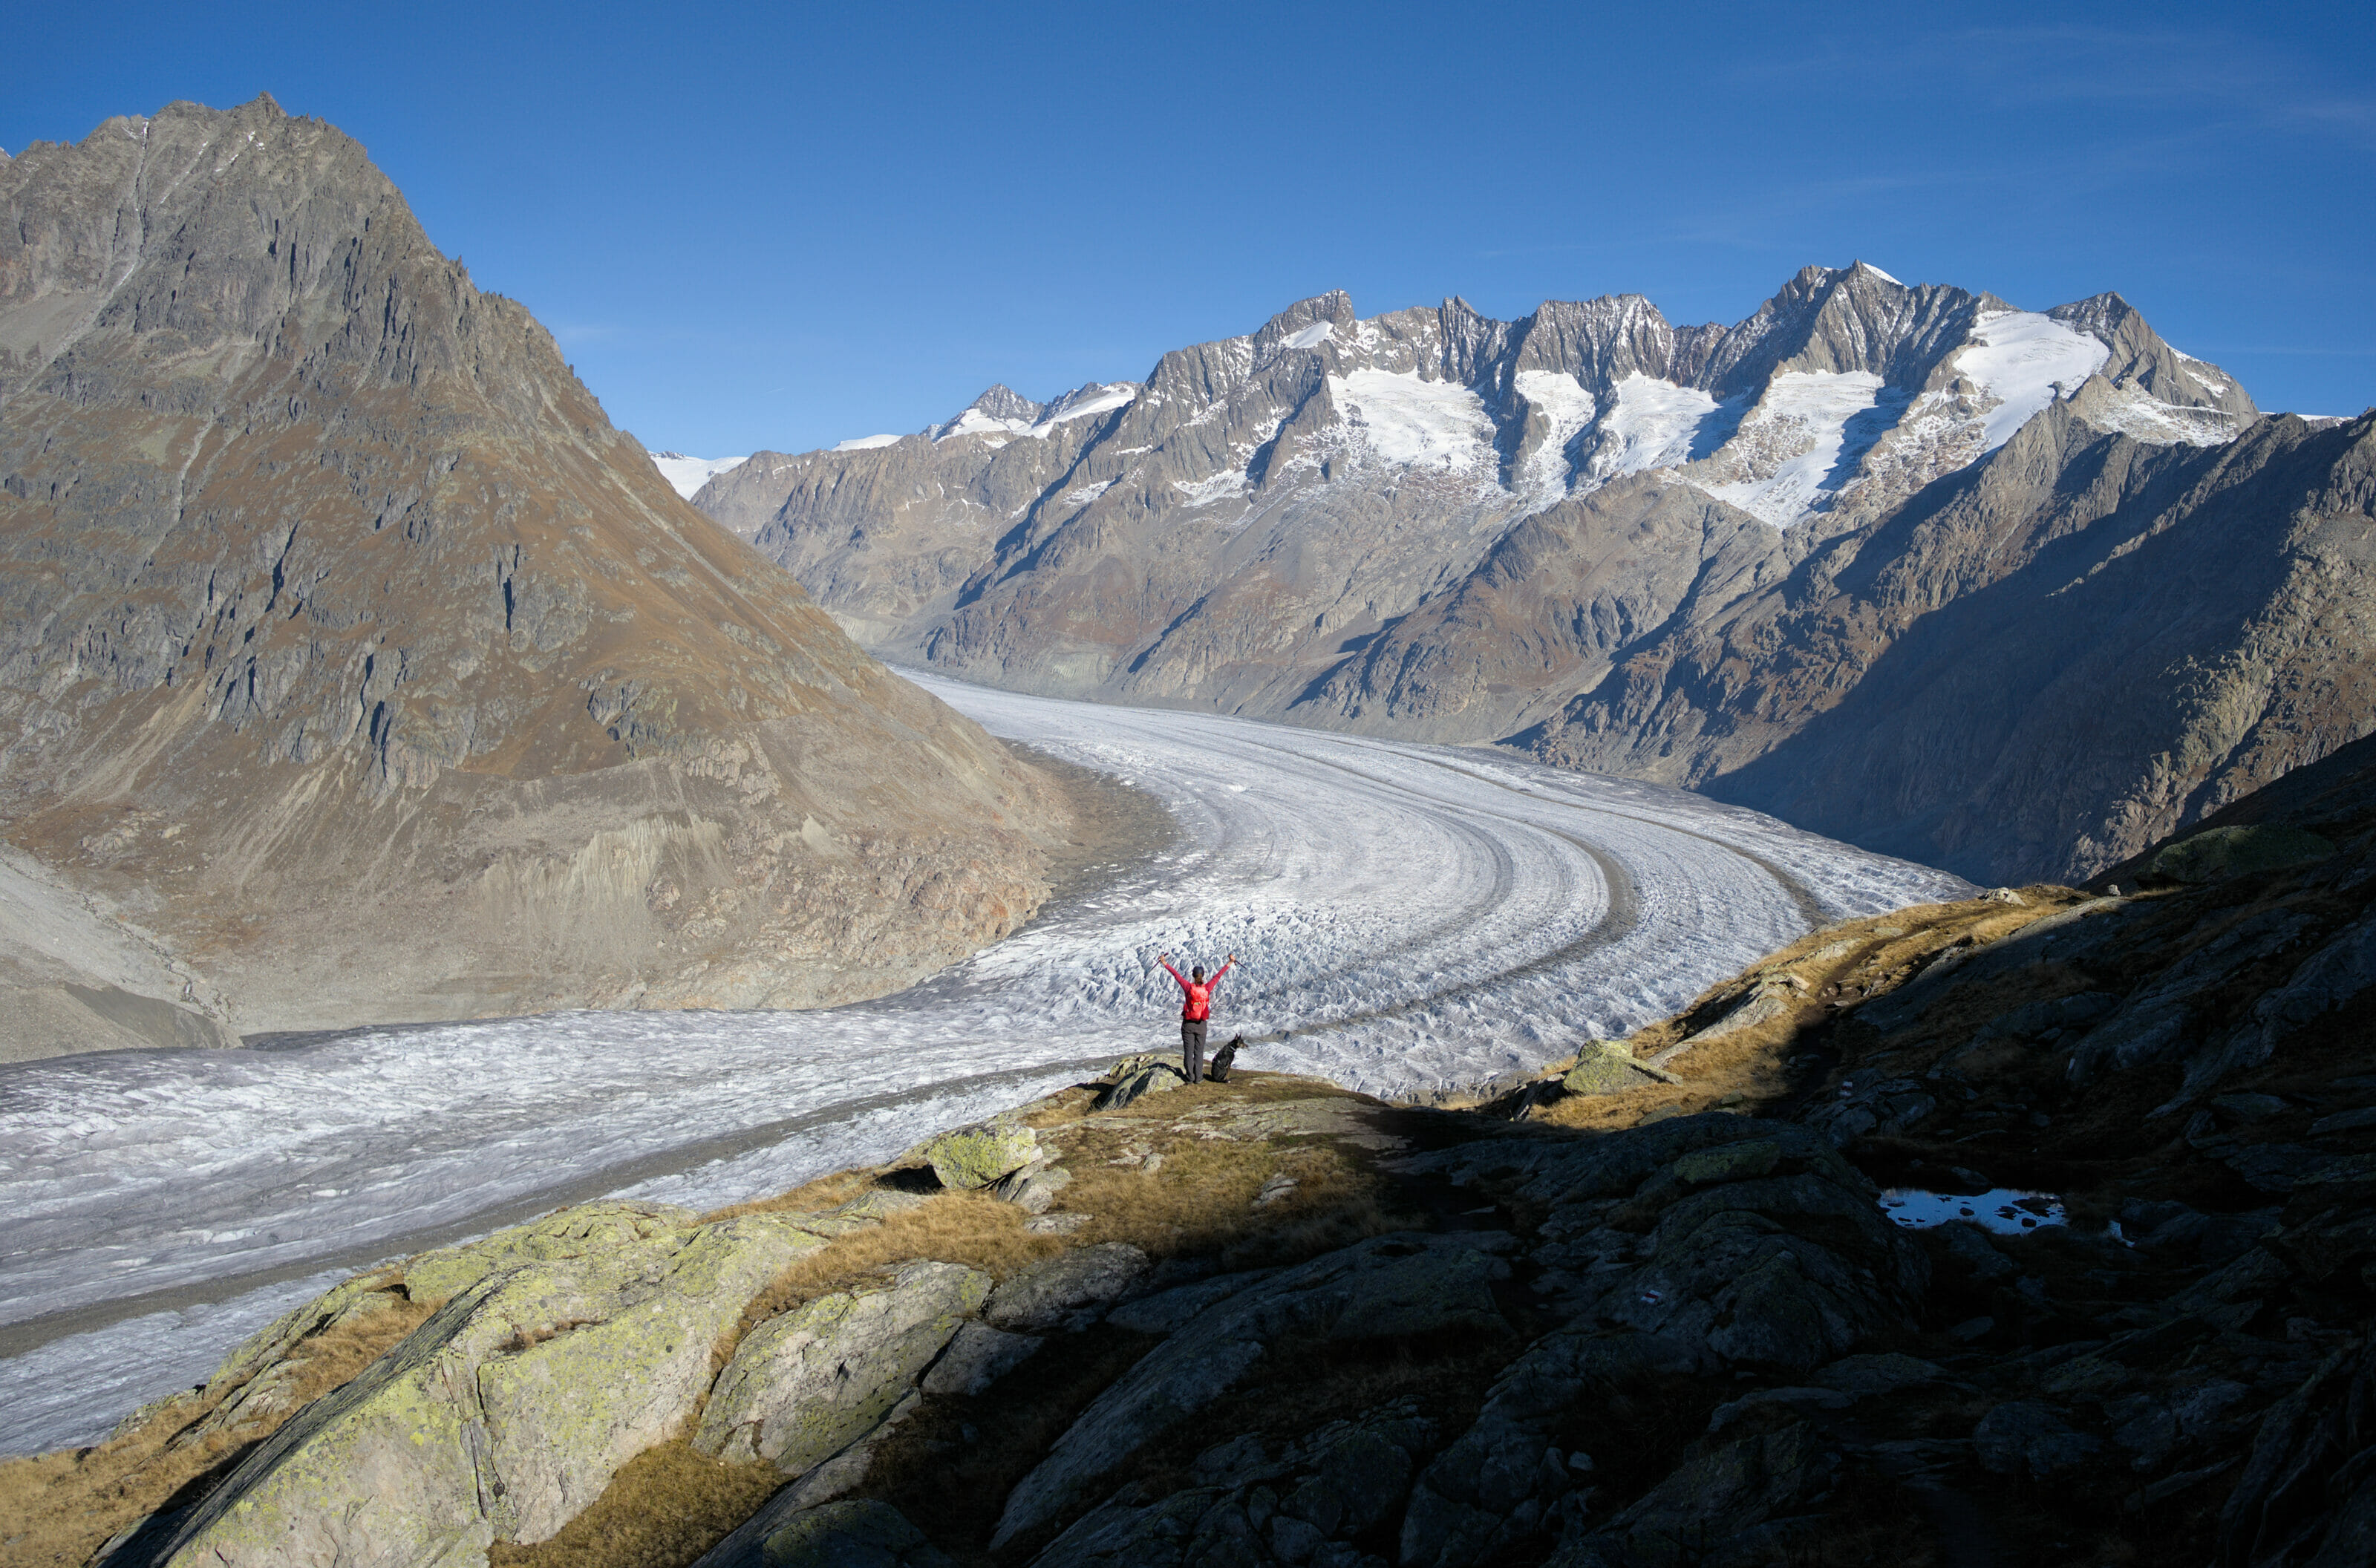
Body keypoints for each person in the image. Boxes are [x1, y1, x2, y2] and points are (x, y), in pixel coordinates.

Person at [1157, 951, 1234, 1085]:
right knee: (1199, 1052)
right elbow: (1218, 976)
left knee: (1188, 1052)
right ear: (1202, 975)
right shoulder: (1207, 988)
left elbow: (1176, 975)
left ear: (1193, 976)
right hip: (1201, 1025)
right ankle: (1198, 1078)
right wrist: (1230, 962)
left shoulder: (1188, 987)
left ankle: (1190, 1077)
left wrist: (1164, 962)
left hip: (1188, 1025)